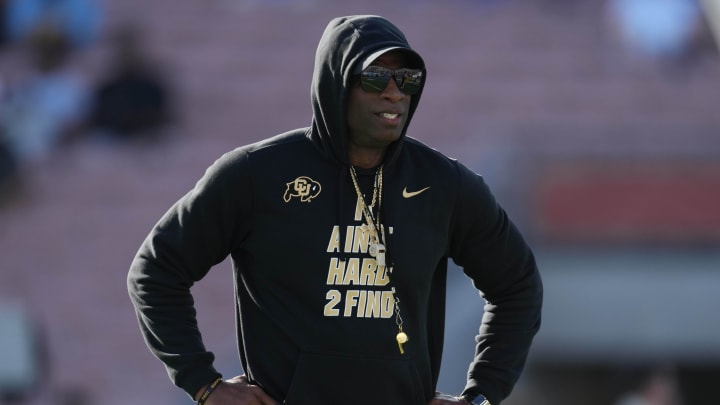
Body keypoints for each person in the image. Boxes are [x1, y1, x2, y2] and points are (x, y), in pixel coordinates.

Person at [127, 15, 543, 405]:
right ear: (336, 83)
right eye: (376, 76)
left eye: (407, 78)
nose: (394, 92)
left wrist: (481, 395)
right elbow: (157, 269)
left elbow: (517, 285)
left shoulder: (445, 184)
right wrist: (203, 382)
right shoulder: (256, 175)